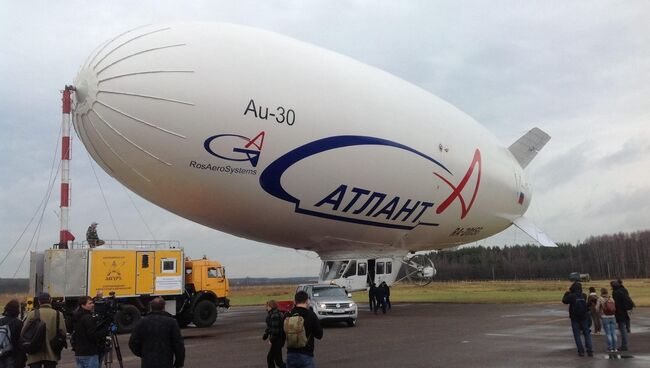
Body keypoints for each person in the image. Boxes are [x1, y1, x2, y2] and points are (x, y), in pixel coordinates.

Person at [128, 297, 184, 368]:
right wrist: (179, 362)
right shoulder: (171, 322)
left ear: (151, 307)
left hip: (148, 362)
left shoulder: (142, 322)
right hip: (166, 362)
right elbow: (178, 344)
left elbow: (133, 342)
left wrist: (142, 354)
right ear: (164, 307)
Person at [21, 293, 67, 368]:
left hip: (34, 352)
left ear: (39, 301)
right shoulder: (58, 314)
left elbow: (23, 331)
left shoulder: (32, 314)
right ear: (50, 300)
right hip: (52, 353)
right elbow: (63, 332)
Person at [286, 291, 323, 368]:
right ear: (306, 301)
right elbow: (319, 335)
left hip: (291, 354)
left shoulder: (288, 314)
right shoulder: (311, 314)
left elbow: (282, 334)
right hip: (306, 354)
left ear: (295, 301)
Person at [562, 281, 593, 357]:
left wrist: (567, 292)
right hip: (584, 317)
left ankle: (581, 351)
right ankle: (589, 350)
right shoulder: (584, 295)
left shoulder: (572, 296)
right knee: (587, 334)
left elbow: (564, 300)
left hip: (575, 318)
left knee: (577, 335)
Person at [72, 296, 100, 368]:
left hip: (79, 353)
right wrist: (102, 333)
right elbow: (92, 335)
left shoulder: (77, 317)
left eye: (92, 303)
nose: (92, 305)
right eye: (90, 303)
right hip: (89, 353)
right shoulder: (88, 318)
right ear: (83, 305)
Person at [0, 299, 26, 368]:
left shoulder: (0, 321)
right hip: (13, 355)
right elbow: (20, 342)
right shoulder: (19, 323)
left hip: (1, 352)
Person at [263, 300, 286, 368]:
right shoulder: (274, 313)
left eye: (267, 306)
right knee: (278, 361)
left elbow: (275, 330)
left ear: (270, 306)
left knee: (270, 358)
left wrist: (271, 339)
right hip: (279, 339)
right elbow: (271, 326)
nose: (266, 308)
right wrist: (266, 334)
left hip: (277, 340)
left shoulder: (274, 315)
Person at [596, 288, 617, 352]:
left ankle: (610, 348)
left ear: (601, 292)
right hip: (612, 316)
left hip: (605, 317)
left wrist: (600, 314)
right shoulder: (611, 298)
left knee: (608, 333)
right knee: (613, 333)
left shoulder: (600, 299)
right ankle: (615, 348)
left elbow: (596, 308)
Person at [611, 280, 630, 351]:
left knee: (622, 330)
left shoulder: (615, 293)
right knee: (624, 329)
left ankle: (624, 345)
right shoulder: (624, 290)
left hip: (619, 313)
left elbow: (616, 304)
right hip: (625, 311)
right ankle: (624, 344)